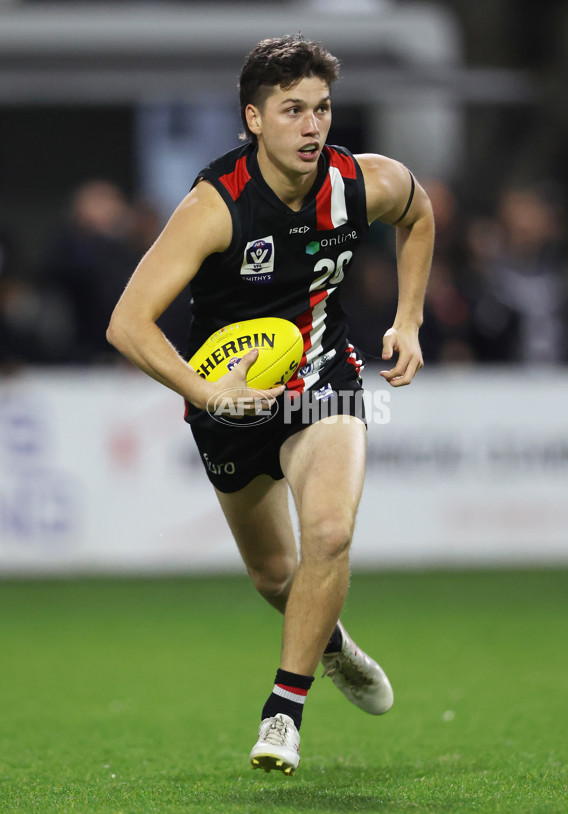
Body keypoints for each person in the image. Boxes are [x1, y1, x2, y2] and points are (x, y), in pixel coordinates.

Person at [107, 34, 434, 775]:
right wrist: (207, 391)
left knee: (329, 530)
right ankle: (332, 646)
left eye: (321, 108)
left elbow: (419, 216)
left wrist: (408, 319)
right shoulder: (213, 206)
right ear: (253, 119)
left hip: (323, 378)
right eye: (292, 111)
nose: (313, 126)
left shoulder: (362, 182)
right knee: (275, 578)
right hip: (228, 400)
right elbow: (127, 323)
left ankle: (283, 712)